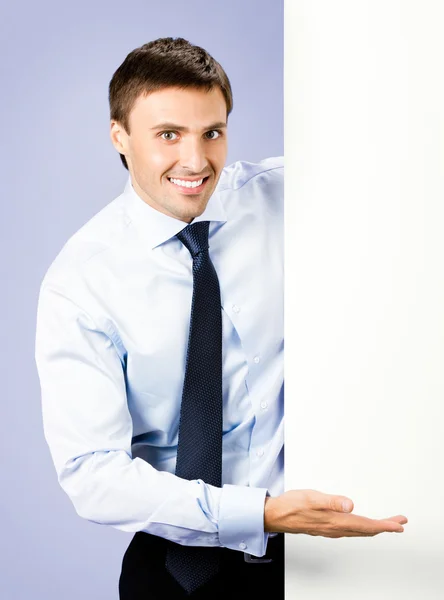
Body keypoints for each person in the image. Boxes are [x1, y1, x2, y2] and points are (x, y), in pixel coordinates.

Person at [34, 37, 408, 599]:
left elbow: (400, 171)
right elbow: (93, 475)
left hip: (325, 552)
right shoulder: (82, 282)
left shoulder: (286, 198)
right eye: (168, 135)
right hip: (180, 568)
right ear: (119, 136)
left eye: (212, 132)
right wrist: (261, 512)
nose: (195, 160)